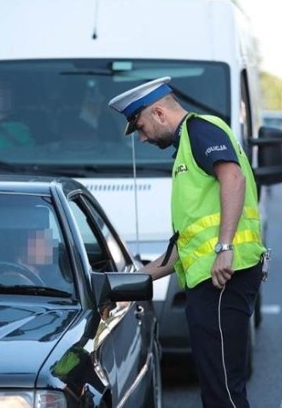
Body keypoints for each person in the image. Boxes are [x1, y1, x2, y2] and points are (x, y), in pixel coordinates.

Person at [108, 77, 267, 408]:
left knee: (223, 391)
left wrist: (224, 248)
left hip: (225, 278)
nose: (142, 136)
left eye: (141, 125)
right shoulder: (185, 148)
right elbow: (188, 244)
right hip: (214, 281)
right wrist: (129, 281)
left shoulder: (199, 130)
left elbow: (233, 177)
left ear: (160, 113)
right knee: (215, 388)